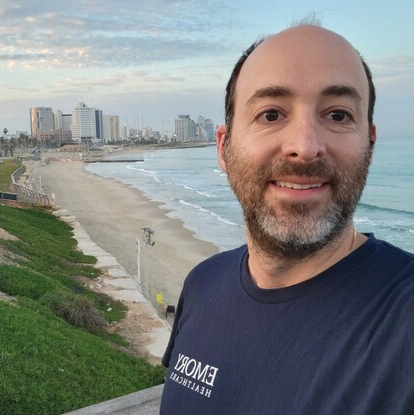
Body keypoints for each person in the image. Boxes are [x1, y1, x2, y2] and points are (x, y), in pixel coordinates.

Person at [160, 24, 414, 414]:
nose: (305, 147)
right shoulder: (201, 284)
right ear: (224, 148)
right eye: (271, 114)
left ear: (370, 144)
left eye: (338, 114)